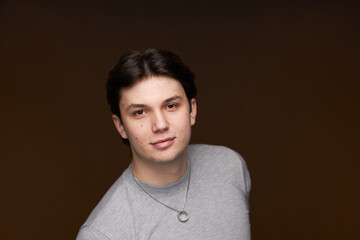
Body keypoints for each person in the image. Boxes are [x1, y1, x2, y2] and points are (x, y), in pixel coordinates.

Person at [76, 49, 251, 240]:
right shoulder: (102, 234)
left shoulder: (230, 166)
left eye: (171, 106)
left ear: (192, 110)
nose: (160, 125)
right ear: (120, 126)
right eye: (140, 112)